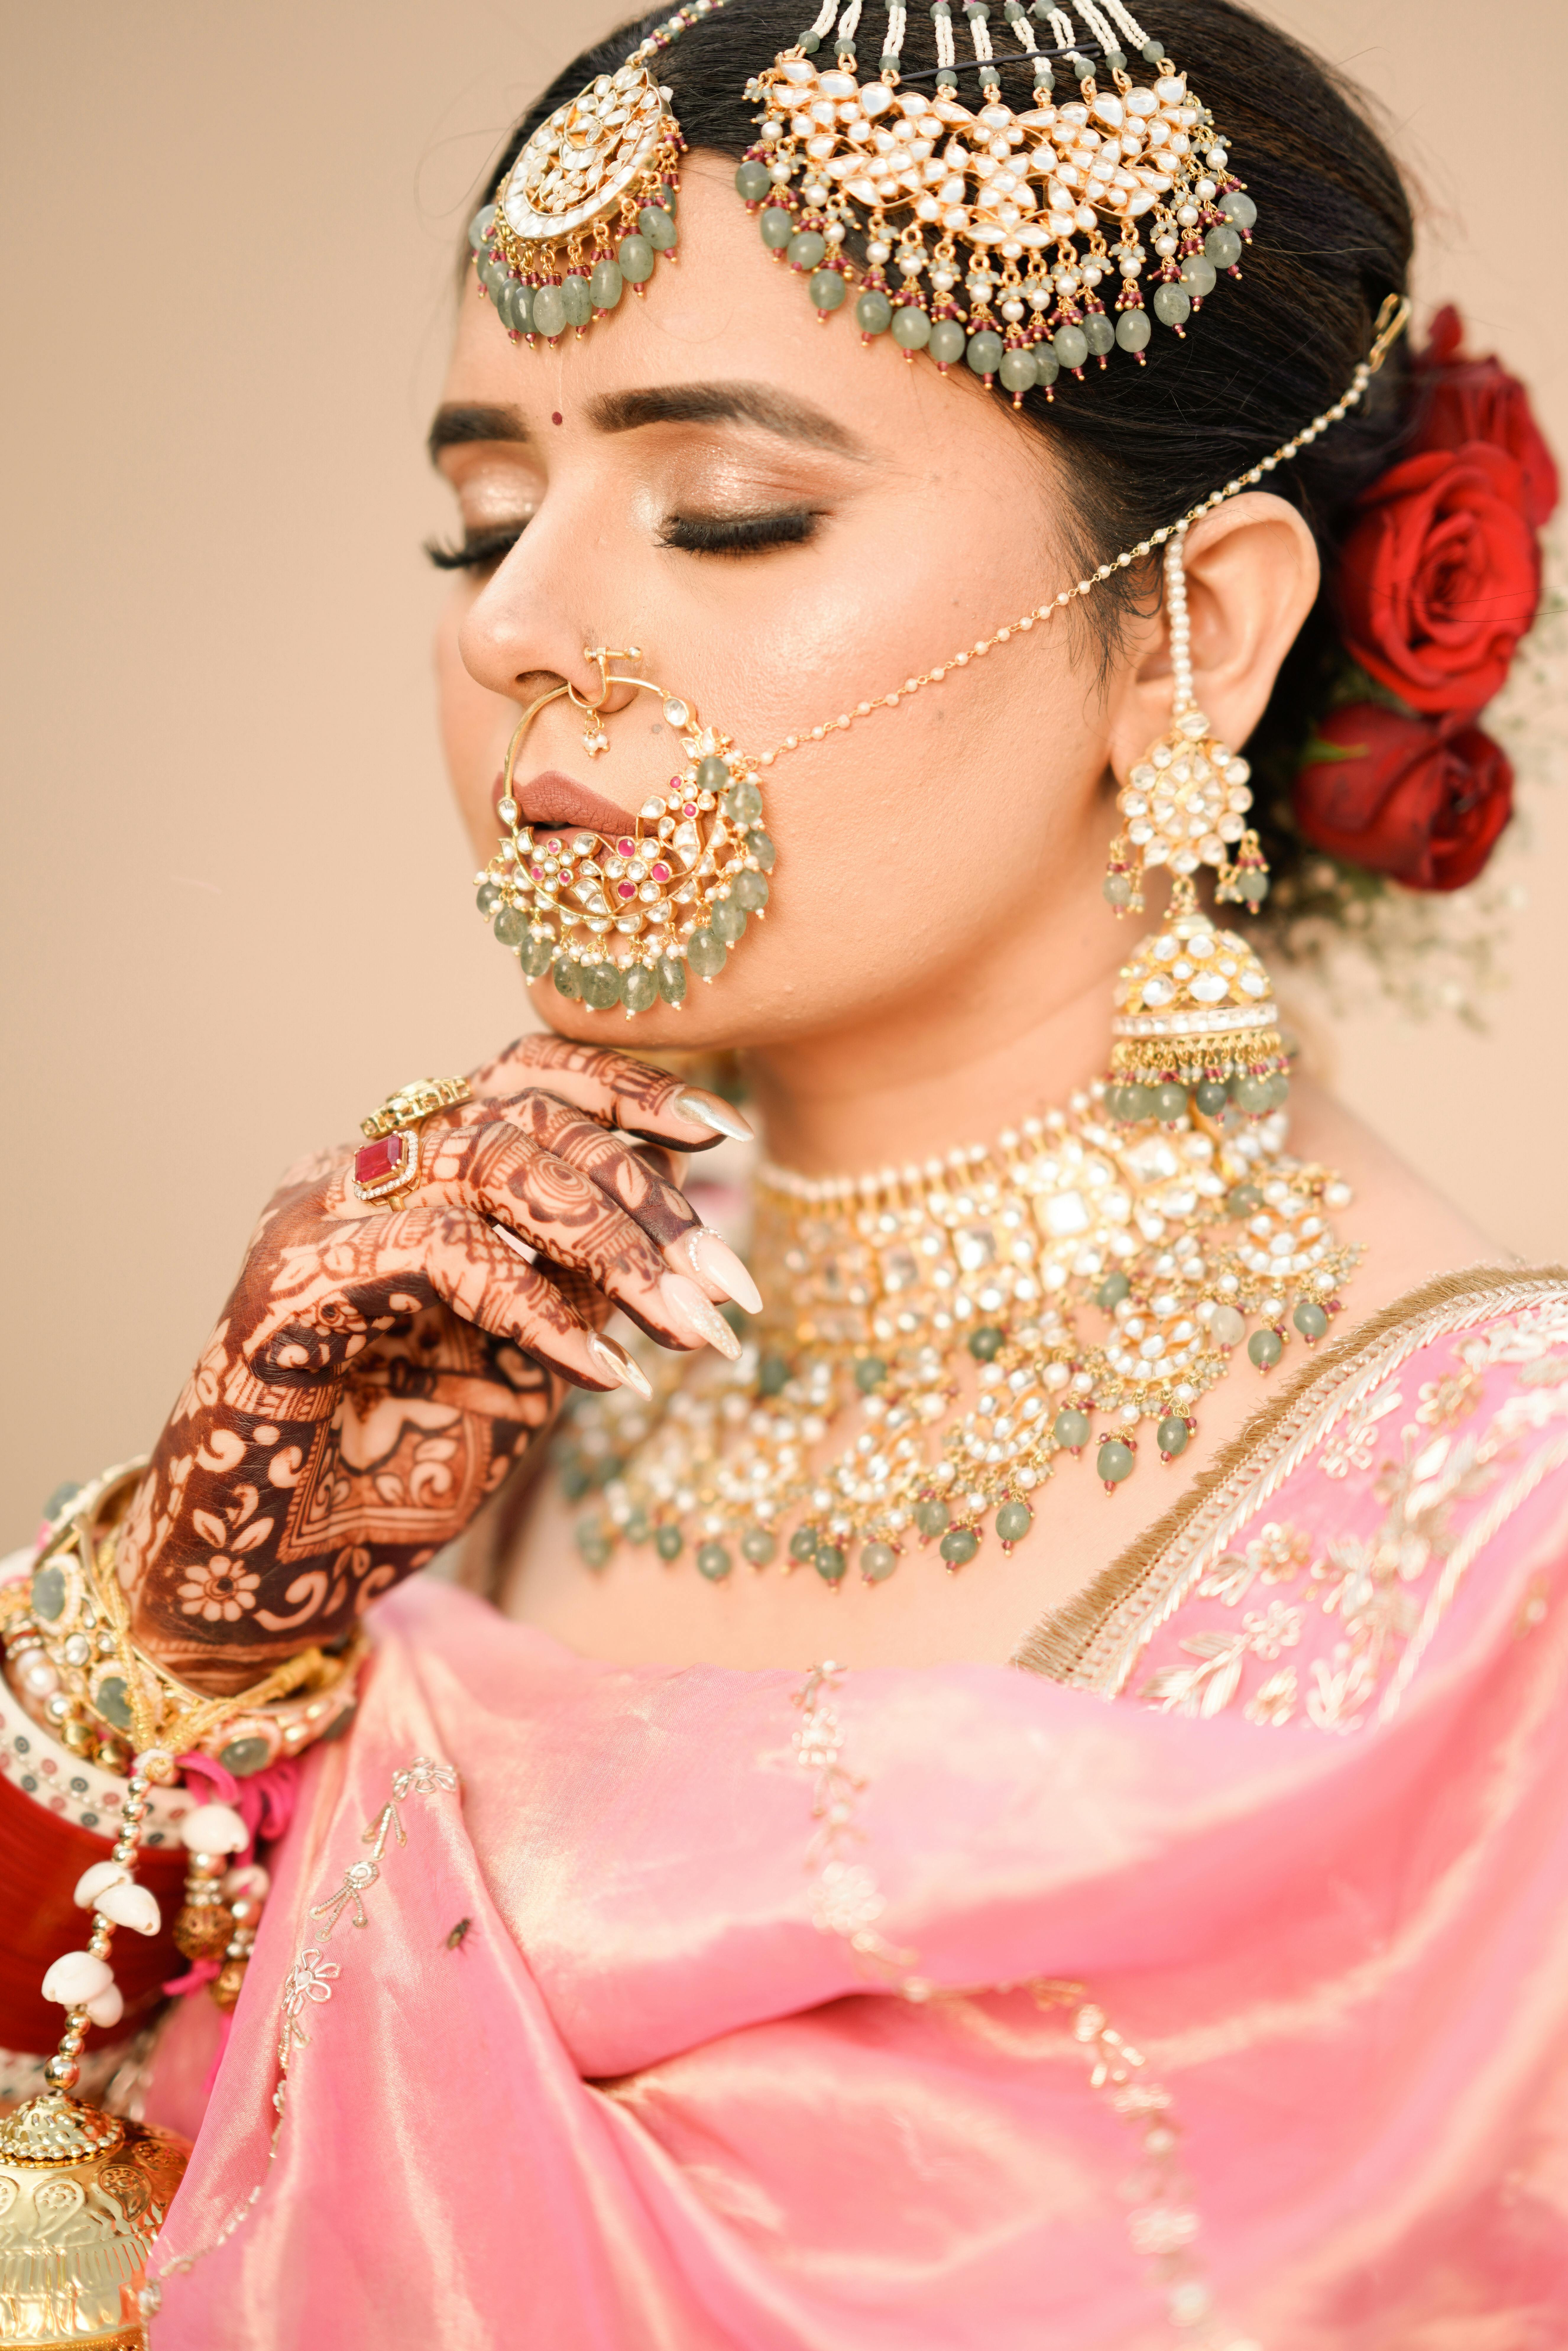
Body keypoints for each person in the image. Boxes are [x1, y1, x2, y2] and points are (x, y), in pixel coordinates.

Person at [3, 0, 1565, 2342]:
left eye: (728, 510)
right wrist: (174, 1646)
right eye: (481, 520)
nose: (513, 627)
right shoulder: (446, 1360)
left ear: (1191, 633)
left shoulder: (1511, 1563)